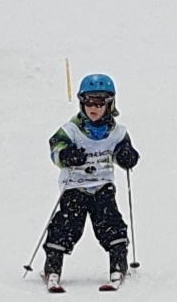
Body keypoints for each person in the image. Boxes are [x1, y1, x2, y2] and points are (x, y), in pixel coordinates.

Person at [42, 74, 139, 292]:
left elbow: (126, 154)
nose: (92, 107)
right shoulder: (71, 130)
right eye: (88, 102)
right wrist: (66, 156)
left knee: (110, 222)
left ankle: (117, 262)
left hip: (102, 186)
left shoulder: (117, 132)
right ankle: (53, 265)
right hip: (74, 187)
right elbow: (55, 150)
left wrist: (127, 156)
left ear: (109, 104)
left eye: (99, 103)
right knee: (66, 226)